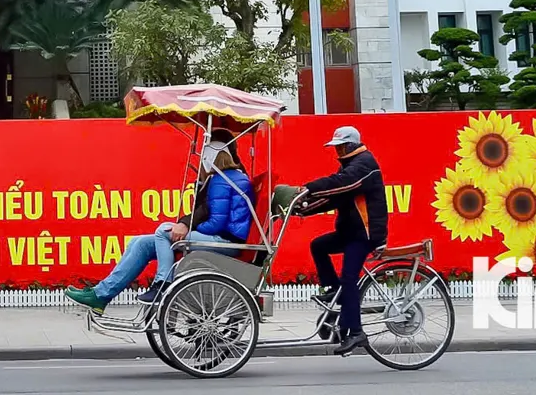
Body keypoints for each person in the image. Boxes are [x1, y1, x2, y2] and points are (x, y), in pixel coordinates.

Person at [66, 139, 255, 310]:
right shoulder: (224, 178)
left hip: (224, 241)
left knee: (163, 231)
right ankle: (101, 294)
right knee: (139, 243)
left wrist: (189, 229)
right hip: (217, 236)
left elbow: (216, 223)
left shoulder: (224, 180)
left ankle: (162, 284)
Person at [294, 124, 387, 356]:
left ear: (351, 145)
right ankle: (334, 291)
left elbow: (341, 183)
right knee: (318, 245)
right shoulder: (351, 166)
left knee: (349, 278)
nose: (337, 152)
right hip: (350, 232)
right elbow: (333, 199)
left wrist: (309, 188)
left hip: (364, 233)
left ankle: (356, 332)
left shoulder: (365, 164)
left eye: (340, 147)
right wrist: (303, 208)